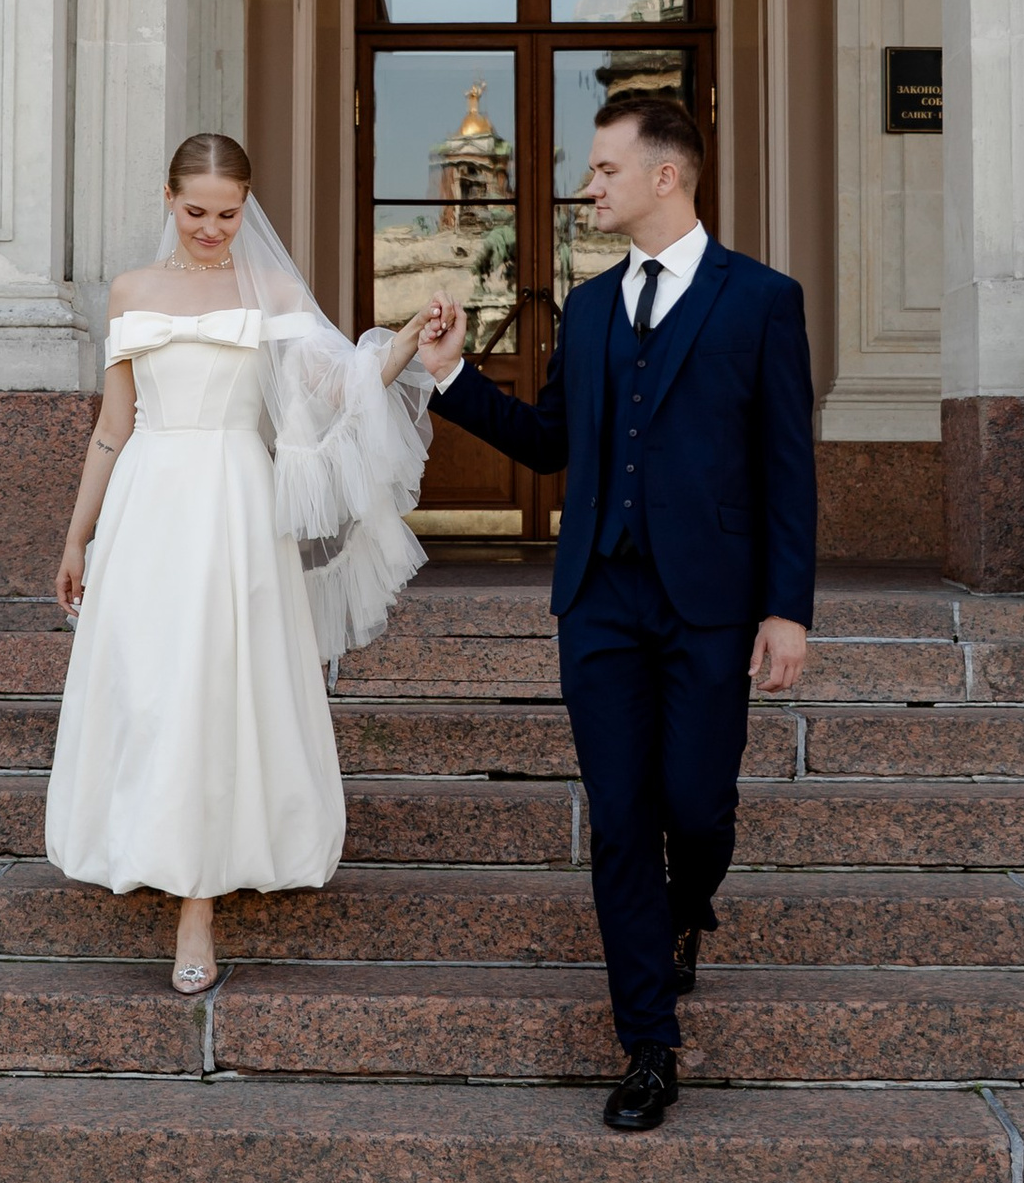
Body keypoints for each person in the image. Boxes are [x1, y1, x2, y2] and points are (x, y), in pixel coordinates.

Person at [416, 87, 814, 1129]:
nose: (587, 185)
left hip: (711, 601)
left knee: (697, 808)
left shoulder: (761, 300)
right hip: (598, 596)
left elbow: (786, 468)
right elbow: (552, 445)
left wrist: (788, 609)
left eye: (603, 170)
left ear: (664, 177)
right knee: (622, 821)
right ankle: (647, 1044)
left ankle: (687, 913)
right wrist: (450, 374)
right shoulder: (587, 310)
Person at [46, 131, 437, 994]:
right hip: (147, 500)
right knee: (150, 683)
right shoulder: (131, 292)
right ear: (167, 198)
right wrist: (79, 536)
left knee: (219, 684)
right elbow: (113, 427)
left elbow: (339, 387)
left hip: (233, 500)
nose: (213, 229)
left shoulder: (272, 288)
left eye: (228, 214)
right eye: (196, 212)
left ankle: (199, 904)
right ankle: (149, 840)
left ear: (246, 208)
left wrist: (404, 348)